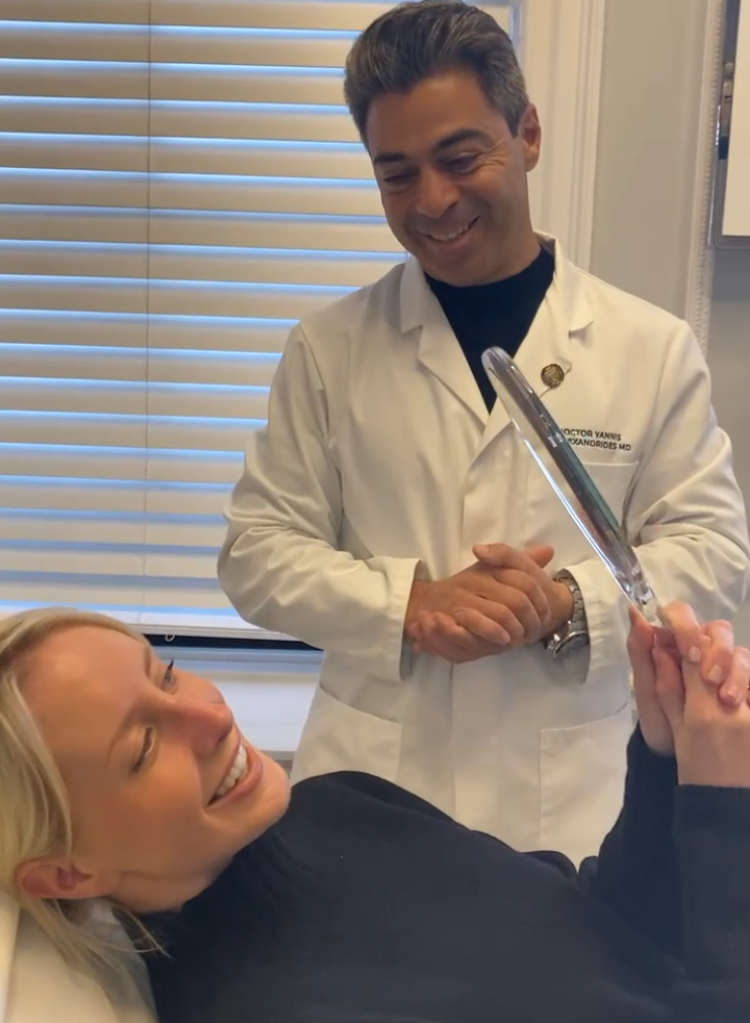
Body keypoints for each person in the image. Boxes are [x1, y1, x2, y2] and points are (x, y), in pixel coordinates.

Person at [217, 0, 750, 862]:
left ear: (528, 133)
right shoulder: (330, 349)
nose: (432, 201)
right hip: (371, 792)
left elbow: (715, 552)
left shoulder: (648, 349)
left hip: (571, 802)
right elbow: (255, 552)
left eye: (461, 158)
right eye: (396, 174)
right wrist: (409, 605)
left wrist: (568, 605)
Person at [2, 601, 750, 1023]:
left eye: (165, 671)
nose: (209, 711)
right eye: (142, 747)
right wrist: (725, 812)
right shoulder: (272, 1004)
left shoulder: (334, 805)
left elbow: (605, 926)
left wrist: (666, 757)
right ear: (67, 871)